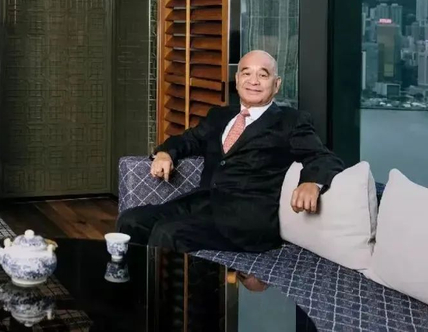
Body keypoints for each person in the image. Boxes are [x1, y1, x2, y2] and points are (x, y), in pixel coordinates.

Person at [117, 50, 345, 253]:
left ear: (276, 84)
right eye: (246, 73)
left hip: (246, 220)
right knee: (131, 220)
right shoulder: (219, 116)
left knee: (169, 232)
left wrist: (311, 182)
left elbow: (323, 156)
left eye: (263, 75)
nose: (253, 81)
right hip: (201, 205)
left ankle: (169, 290)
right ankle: (135, 285)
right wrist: (165, 153)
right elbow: (188, 140)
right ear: (237, 81)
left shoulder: (290, 121)